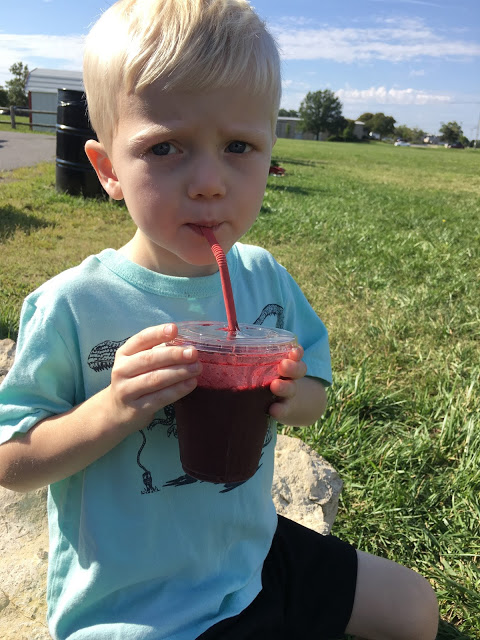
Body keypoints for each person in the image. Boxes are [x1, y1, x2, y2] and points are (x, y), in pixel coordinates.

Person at [0, 1, 438, 638]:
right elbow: (13, 462)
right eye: (166, 147)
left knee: (414, 609)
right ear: (107, 170)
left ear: (269, 156)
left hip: (248, 551)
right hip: (140, 604)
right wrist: (116, 407)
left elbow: (314, 387)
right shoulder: (72, 305)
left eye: (238, 146)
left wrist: (296, 396)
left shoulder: (263, 277)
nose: (209, 182)